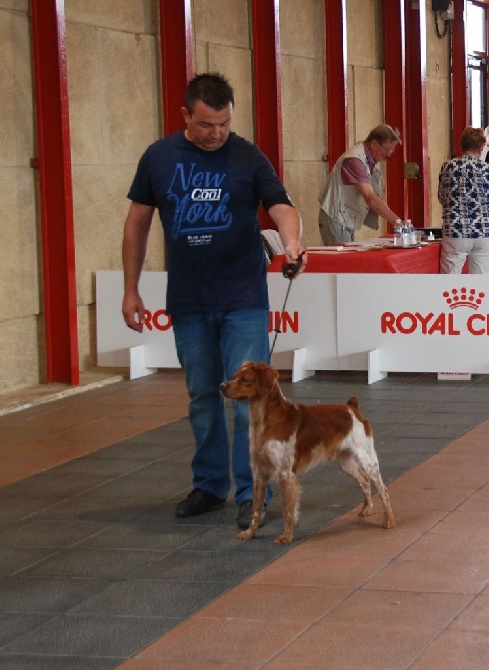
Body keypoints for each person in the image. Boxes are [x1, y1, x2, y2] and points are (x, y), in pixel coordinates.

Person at [121, 72, 306, 529]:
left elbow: (281, 205)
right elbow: (137, 224)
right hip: (188, 301)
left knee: (253, 402)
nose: (217, 134)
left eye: (224, 124)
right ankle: (208, 485)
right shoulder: (158, 158)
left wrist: (292, 242)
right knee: (202, 396)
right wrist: (131, 289)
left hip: (242, 297)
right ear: (186, 114)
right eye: (207, 125)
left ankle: (251, 491)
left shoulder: (246, 156)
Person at [318, 124, 403, 245]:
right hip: (336, 219)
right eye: (387, 149)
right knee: (343, 262)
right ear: (374, 144)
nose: (389, 154)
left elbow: (376, 197)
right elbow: (371, 198)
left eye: (392, 150)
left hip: (346, 220)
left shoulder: (371, 159)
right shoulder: (355, 161)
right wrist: (399, 222)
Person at [438, 126, 489, 274]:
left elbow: (442, 197)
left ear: (461, 145)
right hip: (483, 231)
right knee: (481, 282)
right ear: (481, 147)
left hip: (455, 231)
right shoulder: (486, 169)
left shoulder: (448, 167)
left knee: (450, 279)